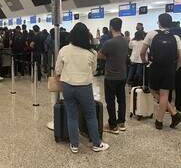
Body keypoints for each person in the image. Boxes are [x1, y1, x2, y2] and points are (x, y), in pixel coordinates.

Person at [55, 22, 109, 153]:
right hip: (84, 87)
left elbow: (58, 70)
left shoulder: (64, 50)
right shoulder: (92, 52)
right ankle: (96, 144)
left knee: (71, 115)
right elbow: (94, 70)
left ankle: (74, 145)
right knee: (90, 115)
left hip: (67, 86)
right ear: (87, 36)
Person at [140, 13, 181, 130]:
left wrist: (145, 62)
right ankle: (165, 119)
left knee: (152, 89)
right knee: (165, 94)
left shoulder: (151, 34)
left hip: (155, 67)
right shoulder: (176, 37)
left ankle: (171, 116)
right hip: (169, 68)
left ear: (159, 22)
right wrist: (175, 68)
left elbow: (142, 52)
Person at [98, 18, 129, 134]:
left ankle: (112, 125)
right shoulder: (125, 40)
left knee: (110, 100)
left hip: (111, 76)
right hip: (122, 74)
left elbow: (99, 55)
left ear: (111, 27)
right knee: (122, 99)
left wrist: (108, 57)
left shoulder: (109, 43)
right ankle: (121, 122)